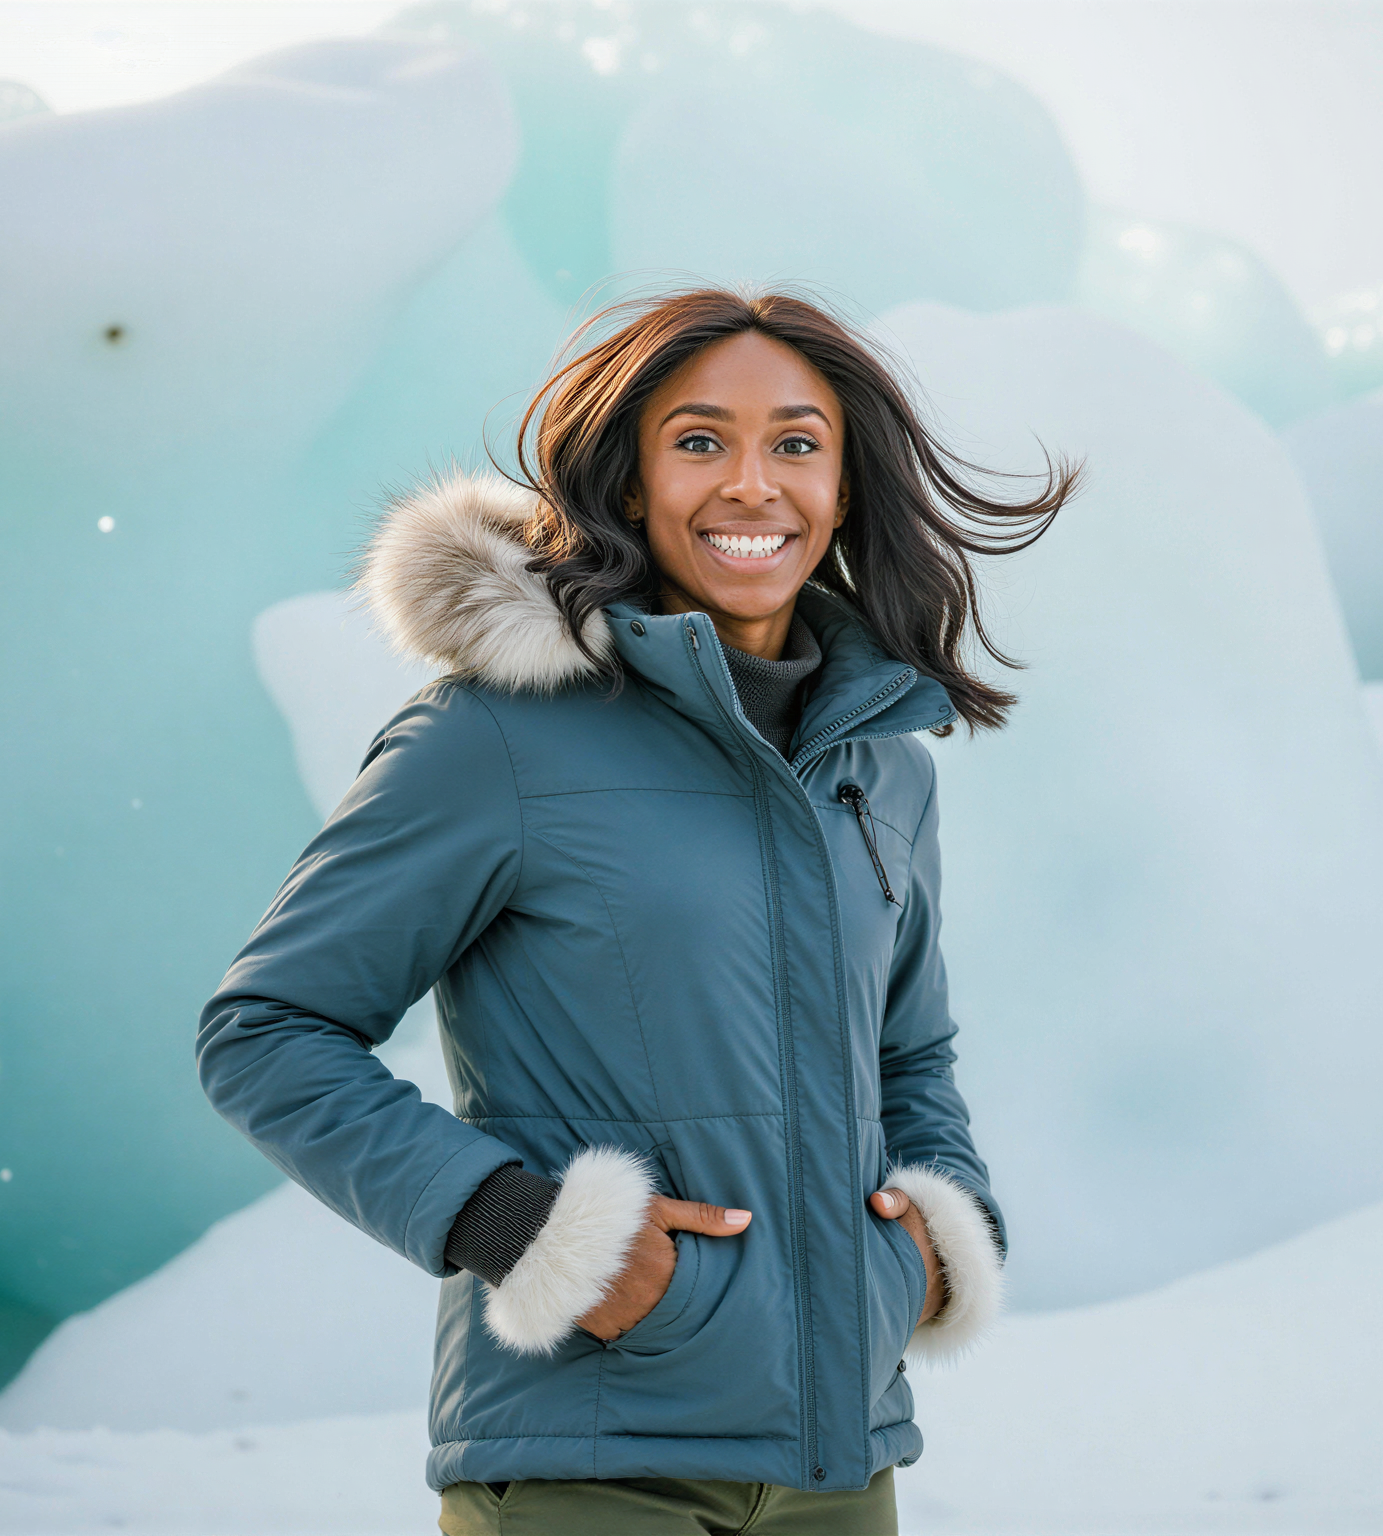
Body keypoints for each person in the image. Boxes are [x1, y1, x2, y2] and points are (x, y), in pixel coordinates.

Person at [197, 287, 1079, 1534]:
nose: (751, 485)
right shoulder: (493, 735)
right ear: (627, 483)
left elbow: (907, 1050)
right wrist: (521, 1225)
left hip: (846, 1466)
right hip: (590, 1460)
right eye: (699, 440)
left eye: (795, 443)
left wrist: (937, 1233)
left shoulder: (884, 763)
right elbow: (267, 1032)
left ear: (845, 488)